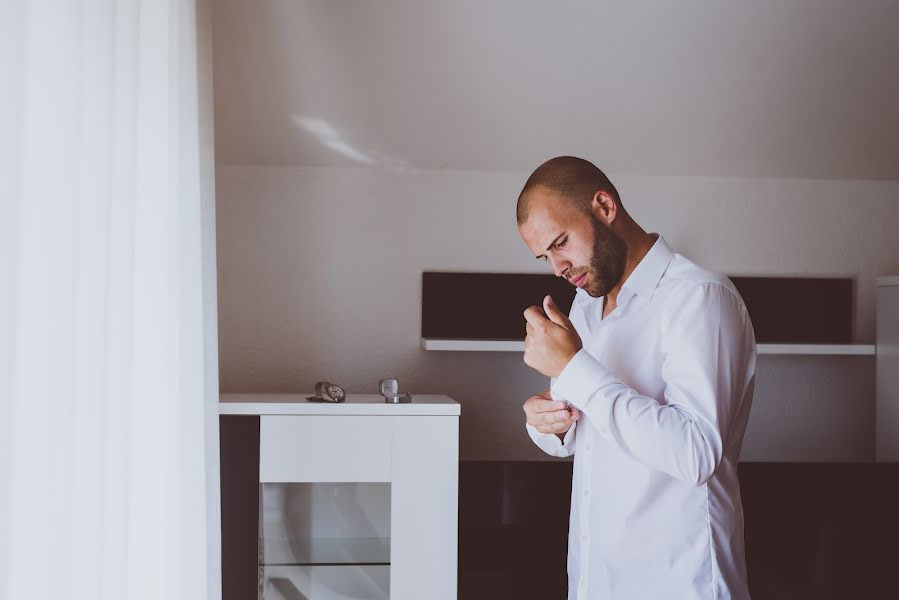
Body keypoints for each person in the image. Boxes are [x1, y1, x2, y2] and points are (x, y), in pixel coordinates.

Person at [518, 156, 756, 600]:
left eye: (562, 242)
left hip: (680, 582)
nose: (557, 267)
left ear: (604, 206)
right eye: (546, 255)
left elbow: (696, 454)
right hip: (598, 579)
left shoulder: (699, 297)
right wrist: (547, 421)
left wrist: (572, 368)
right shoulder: (586, 306)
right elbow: (594, 419)